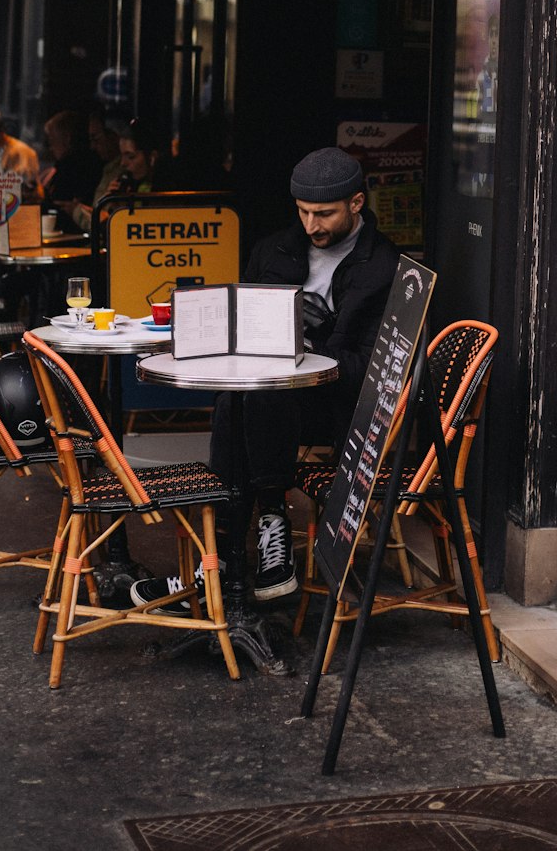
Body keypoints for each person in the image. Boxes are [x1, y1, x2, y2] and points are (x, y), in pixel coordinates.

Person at [131, 146, 400, 611]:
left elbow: (373, 375)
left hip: (336, 408)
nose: (312, 225)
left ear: (357, 204)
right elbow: (239, 337)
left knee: (255, 396)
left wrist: (314, 341)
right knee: (245, 396)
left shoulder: (383, 267)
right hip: (268, 412)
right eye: (302, 212)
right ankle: (254, 536)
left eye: (324, 214)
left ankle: (222, 559)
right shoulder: (273, 250)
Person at [54, 109, 126, 232]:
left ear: (114, 137)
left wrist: (77, 211)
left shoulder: (122, 174)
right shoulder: (106, 169)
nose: (92, 146)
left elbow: (106, 225)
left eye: (96, 139)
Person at [40, 110, 102, 231]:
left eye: (52, 139)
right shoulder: (60, 167)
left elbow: (60, 203)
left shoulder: (73, 168)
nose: (50, 147)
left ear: (67, 139)